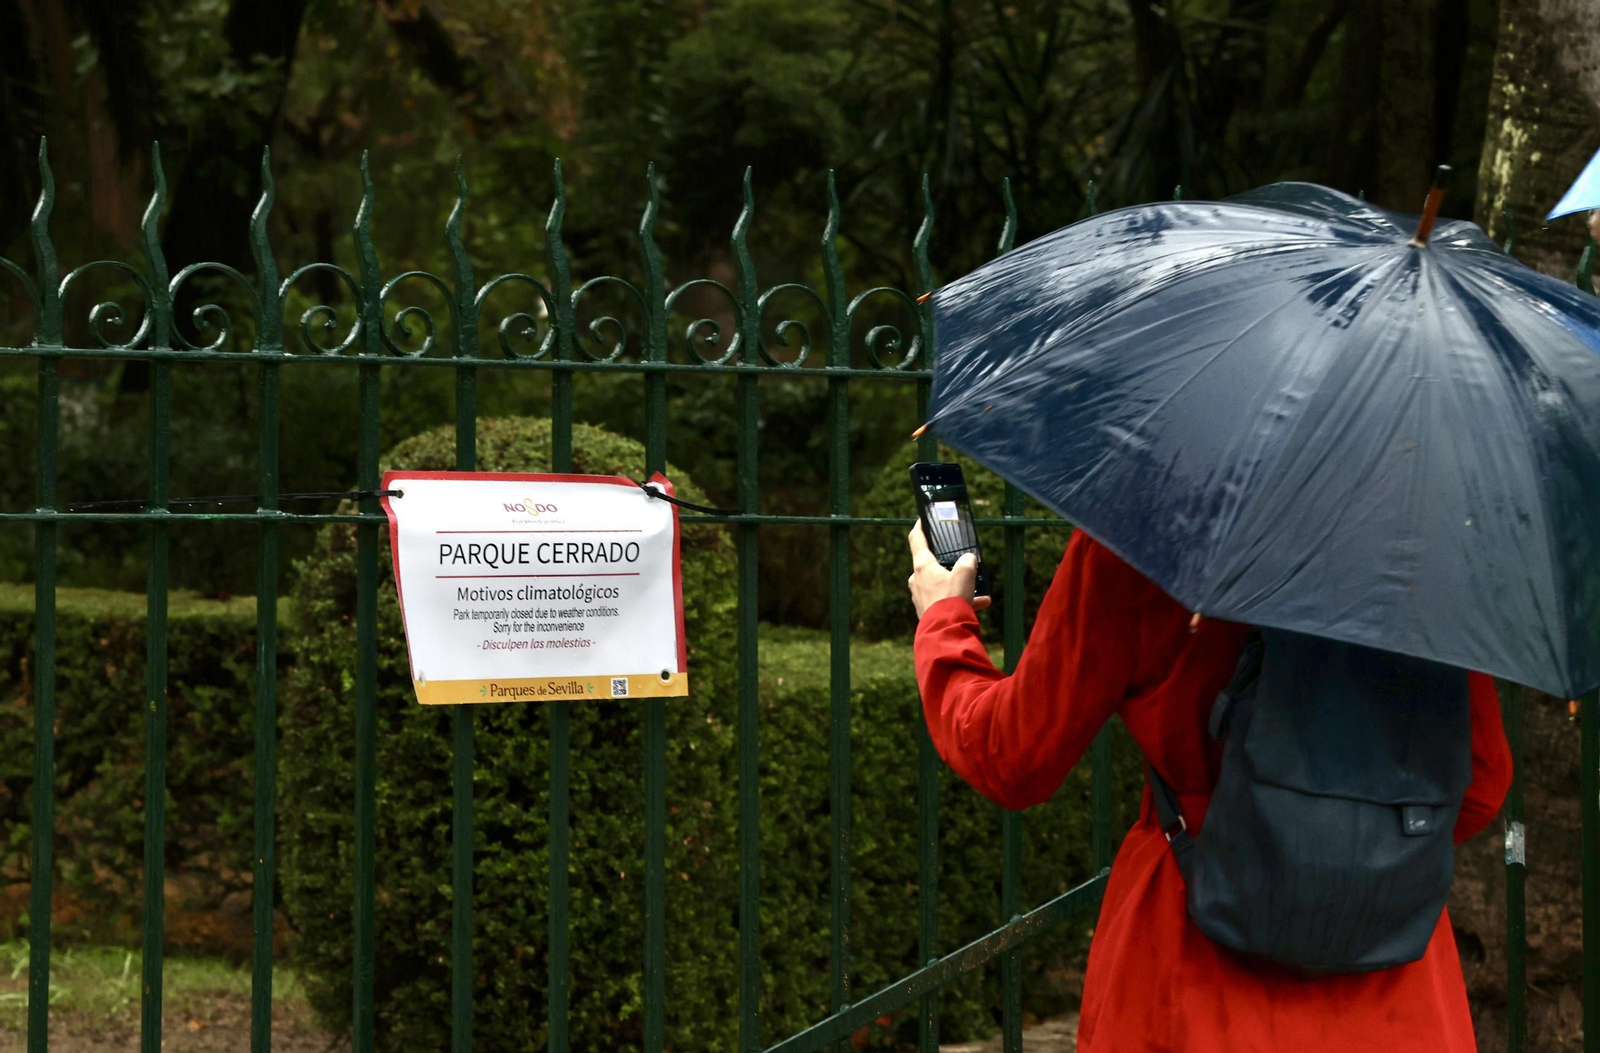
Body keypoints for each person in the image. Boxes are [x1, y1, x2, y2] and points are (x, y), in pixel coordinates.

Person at [906, 524, 1513, 1053]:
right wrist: (1356, 833)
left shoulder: (1142, 536)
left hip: (1192, 948)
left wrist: (943, 623)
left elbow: (1011, 754)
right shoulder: (1419, 550)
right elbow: (1481, 785)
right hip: (1393, 979)